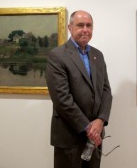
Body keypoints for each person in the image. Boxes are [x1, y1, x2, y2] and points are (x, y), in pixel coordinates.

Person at [45, 10, 113, 168]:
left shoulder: (98, 55)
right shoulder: (57, 56)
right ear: (70, 27)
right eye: (80, 25)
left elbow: (106, 91)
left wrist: (100, 120)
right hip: (69, 137)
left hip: (94, 137)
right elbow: (62, 99)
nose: (85, 29)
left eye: (89, 25)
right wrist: (89, 128)